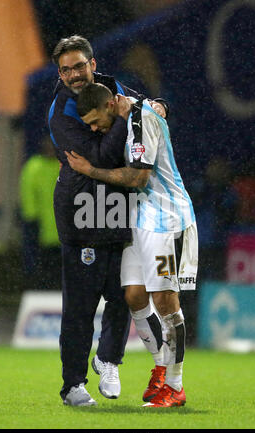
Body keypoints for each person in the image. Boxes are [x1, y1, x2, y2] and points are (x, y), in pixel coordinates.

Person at [48, 35, 168, 406]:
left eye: (79, 66)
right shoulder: (60, 113)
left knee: (124, 294)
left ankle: (109, 359)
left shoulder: (113, 87)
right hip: (82, 212)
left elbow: (149, 104)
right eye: (66, 69)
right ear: (59, 73)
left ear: (93, 64)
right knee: (81, 307)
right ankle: (72, 385)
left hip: (119, 207)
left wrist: (157, 107)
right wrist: (124, 116)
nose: (73, 74)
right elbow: (98, 154)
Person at [66, 83, 198, 408]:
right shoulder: (129, 119)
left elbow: (139, 178)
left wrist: (90, 171)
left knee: (165, 301)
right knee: (134, 297)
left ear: (111, 104)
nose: (96, 129)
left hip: (166, 220)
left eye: (97, 121)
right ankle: (161, 369)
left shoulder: (140, 119)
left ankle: (175, 384)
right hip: (140, 219)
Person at [19, 135, 61, 290]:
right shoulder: (35, 166)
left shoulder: (60, 165)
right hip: (40, 225)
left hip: (60, 227)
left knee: (57, 264)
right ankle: (41, 288)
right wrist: (30, 215)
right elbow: (27, 191)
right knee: (42, 263)